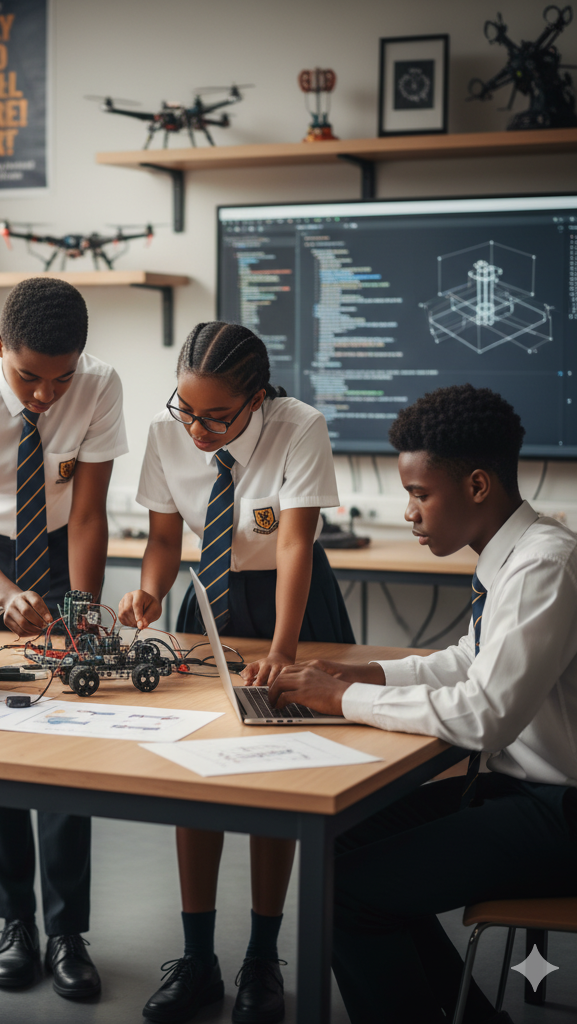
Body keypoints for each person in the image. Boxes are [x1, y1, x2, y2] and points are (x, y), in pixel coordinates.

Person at [269, 384, 577, 1024]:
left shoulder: (547, 567)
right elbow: (469, 663)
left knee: (349, 895)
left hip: (568, 817)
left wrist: (344, 699)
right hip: (518, 794)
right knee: (340, 837)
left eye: (420, 495)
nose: (409, 513)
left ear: (477, 486)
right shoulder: (513, 557)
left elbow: (484, 714)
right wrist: (363, 673)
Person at [119, 321, 353, 1024]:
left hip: (292, 603)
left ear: (256, 398)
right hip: (208, 602)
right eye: (186, 410)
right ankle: (196, 959)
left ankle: (261, 957)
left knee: (269, 783)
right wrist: (151, 592)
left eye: (217, 416)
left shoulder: (298, 426)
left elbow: (294, 543)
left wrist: (283, 649)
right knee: (199, 771)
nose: (197, 428)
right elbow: (165, 538)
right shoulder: (170, 435)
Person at [0, 277, 127, 999]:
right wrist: (5, 593)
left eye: (61, 378)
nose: (46, 395)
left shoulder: (99, 385)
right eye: (29, 378)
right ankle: (15, 919)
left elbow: (93, 513)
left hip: (66, 545)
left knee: (68, 740)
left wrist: (82, 614)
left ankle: (68, 929)